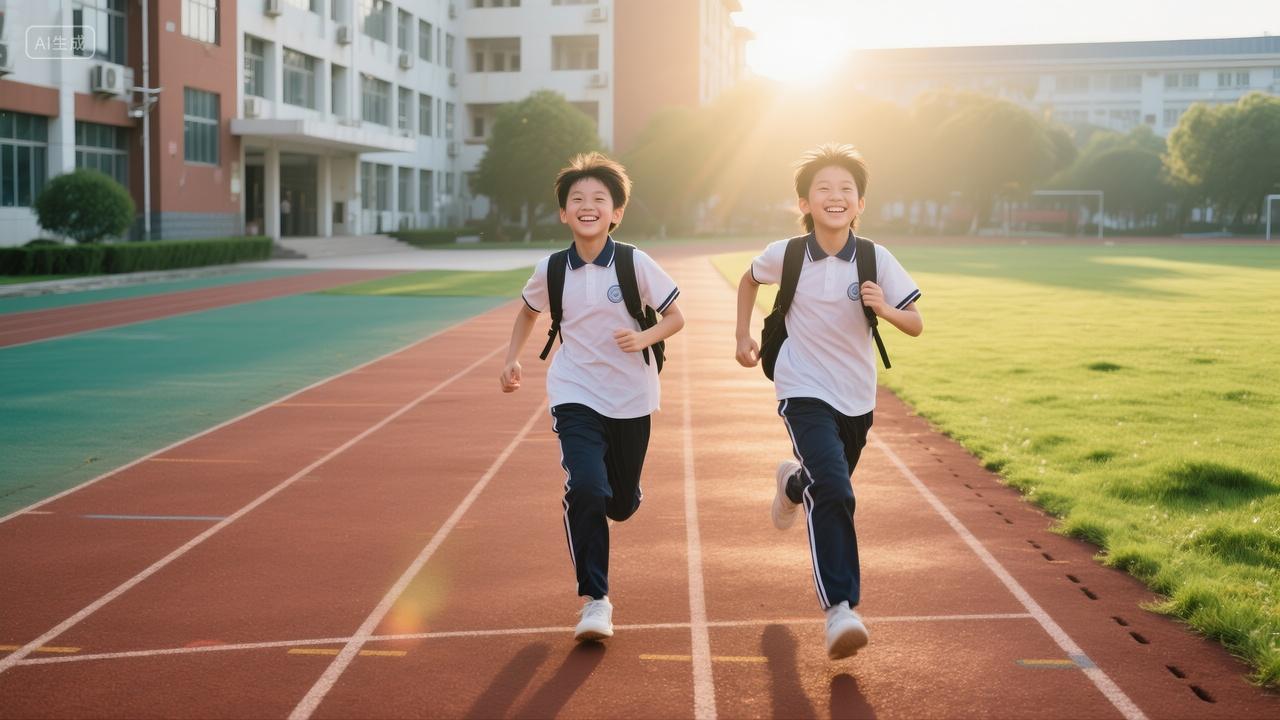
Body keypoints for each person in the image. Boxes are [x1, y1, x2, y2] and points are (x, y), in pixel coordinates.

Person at [734, 143, 924, 659]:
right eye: (823, 188)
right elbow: (749, 280)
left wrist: (885, 307)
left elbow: (916, 323)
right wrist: (742, 336)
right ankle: (840, 608)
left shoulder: (875, 258)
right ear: (804, 203)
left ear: (860, 203)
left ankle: (791, 484)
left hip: (856, 397)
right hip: (802, 387)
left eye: (846, 189)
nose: (835, 196)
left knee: (823, 482)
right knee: (836, 488)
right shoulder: (787, 254)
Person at [499, 152, 685, 642]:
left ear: (616, 212)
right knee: (585, 487)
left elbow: (675, 318)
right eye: (577, 199)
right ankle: (595, 600)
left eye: (599, 198)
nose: (587, 206)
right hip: (574, 390)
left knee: (618, 505)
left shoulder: (634, 262)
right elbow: (528, 312)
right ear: (563, 213)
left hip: (632, 396)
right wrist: (512, 358)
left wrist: (643, 338)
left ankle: (623, 495)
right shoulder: (552, 269)